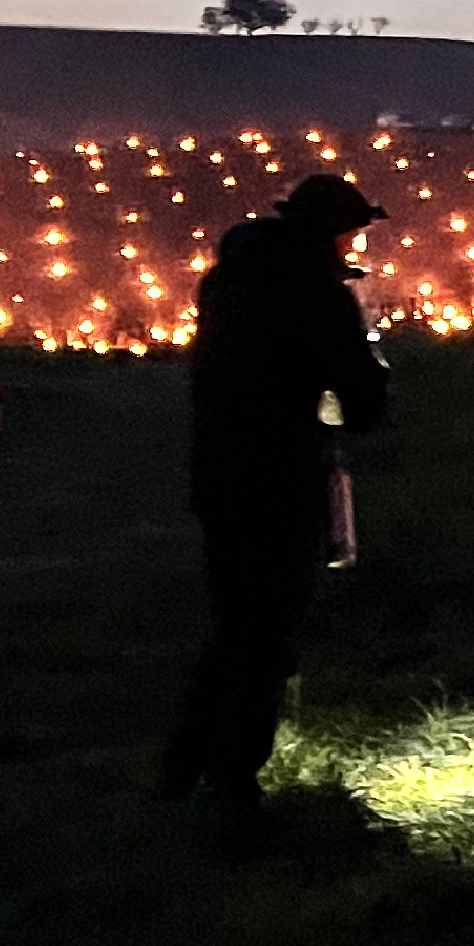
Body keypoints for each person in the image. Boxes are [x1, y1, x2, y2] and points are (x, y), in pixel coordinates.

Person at [161, 172, 390, 812]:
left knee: (235, 622)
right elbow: (361, 400)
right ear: (333, 233)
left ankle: (184, 767)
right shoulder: (317, 296)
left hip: (219, 472)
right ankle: (232, 782)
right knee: (268, 631)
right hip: (283, 477)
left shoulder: (225, 282)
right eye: (351, 234)